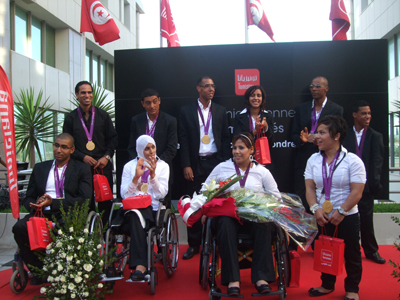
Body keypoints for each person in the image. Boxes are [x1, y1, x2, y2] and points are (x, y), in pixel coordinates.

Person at [202, 132, 280, 296]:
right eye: (234, 148)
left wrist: (263, 201)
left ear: (251, 150)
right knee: (223, 222)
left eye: (241, 148)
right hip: (229, 217)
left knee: (265, 222)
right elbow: (204, 191)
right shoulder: (222, 168)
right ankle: (233, 280)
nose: (236, 151)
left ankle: (261, 279)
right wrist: (206, 207)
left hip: (253, 217)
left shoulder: (262, 171)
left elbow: (276, 197)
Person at [12, 133, 92, 285]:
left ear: (72, 150)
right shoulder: (40, 168)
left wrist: (53, 203)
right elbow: (28, 197)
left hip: (67, 213)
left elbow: (84, 200)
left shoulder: (81, 169)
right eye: (56, 145)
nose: (58, 150)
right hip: (41, 213)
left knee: (66, 226)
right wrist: (36, 203)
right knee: (19, 227)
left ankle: (64, 270)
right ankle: (38, 270)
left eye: (63, 147)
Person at [305, 116, 365, 300]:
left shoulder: (352, 161)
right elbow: (309, 187)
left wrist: (342, 211)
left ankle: (352, 289)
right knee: (324, 251)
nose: (317, 137)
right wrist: (315, 208)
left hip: (347, 216)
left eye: (322, 133)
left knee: (352, 253)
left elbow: (357, 192)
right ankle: (327, 285)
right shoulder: (314, 159)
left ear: (337, 135)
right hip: (322, 215)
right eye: (318, 133)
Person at [179, 76, 230, 260]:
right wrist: (186, 164)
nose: (211, 89)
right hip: (195, 163)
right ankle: (194, 245)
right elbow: (183, 139)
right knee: (194, 203)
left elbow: (225, 138)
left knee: (216, 202)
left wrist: (224, 162)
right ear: (198, 88)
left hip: (215, 162)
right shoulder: (186, 111)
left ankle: (216, 243)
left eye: (213, 86)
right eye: (207, 86)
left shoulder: (220, 111)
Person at [63, 81, 118, 226]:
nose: (86, 95)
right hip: (81, 167)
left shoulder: (103, 115)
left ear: (92, 94)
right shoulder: (70, 118)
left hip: (102, 165)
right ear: (77, 95)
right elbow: (66, 145)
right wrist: (83, 157)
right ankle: (88, 237)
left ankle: (107, 236)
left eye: (89, 92)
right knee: (85, 202)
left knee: (106, 202)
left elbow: (113, 139)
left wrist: (106, 157)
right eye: (83, 93)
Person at [120, 135, 169, 281]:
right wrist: (136, 177)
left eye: (152, 147)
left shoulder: (163, 166)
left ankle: (140, 265)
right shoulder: (129, 166)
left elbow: (161, 194)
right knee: (133, 215)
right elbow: (124, 194)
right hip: (130, 207)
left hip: (151, 207)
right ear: (140, 149)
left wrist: (153, 176)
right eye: (146, 148)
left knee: (136, 216)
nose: (151, 151)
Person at [291, 76, 343, 213]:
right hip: (304, 159)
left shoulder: (337, 110)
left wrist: (321, 139)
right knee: (302, 198)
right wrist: (303, 140)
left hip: (327, 159)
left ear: (326, 88)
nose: (314, 89)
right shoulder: (301, 109)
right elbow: (294, 135)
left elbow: (339, 135)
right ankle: (303, 233)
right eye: (312, 86)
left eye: (318, 86)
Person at [343, 100, 385, 264]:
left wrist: (373, 185)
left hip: (366, 188)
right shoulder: (345, 135)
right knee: (346, 220)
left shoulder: (375, 136)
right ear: (355, 115)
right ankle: (345, 250)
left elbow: (377, 164)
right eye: (363, 113)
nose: (367, 116)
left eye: (369, 113)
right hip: (346, 186)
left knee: (367, 220)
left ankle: (371, 251)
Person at [127, 88, 177, 206]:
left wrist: (156, 164)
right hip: (140, 169)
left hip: (161, 171)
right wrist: (140, 164)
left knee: (162, 207)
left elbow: (171, 148)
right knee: (138, 205)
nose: (152, 105)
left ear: (159, 101)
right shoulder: (136, 120)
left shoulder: (170, 121)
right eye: (148, 103)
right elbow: (131, 146)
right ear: (142, 104)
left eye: (155, 101)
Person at [233, 85, 275, 149]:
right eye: (252, 95)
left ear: (262, 98)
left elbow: (272, 142)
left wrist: (266, 128)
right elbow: (237, 141)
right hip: (245, 156)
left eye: (259, 96)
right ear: (248, 98)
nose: (256, 98)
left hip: (263, 156)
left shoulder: (268, 116)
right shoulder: (239, 117)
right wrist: (255, 131)